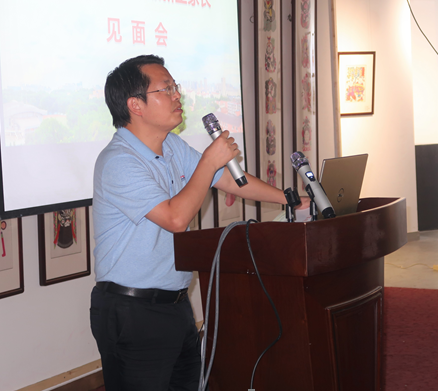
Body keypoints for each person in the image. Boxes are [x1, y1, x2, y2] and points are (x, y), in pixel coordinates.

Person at [90, 54, 308, 391]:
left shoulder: (171, 146)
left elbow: (229, 179)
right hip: (131, 312)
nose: (177, 95)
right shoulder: (118, 161)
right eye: (166, 89)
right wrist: (208, 161)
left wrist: (290, 199)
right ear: (135, 105)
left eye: (175, 87)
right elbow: (175, 218)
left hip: (175, 304)